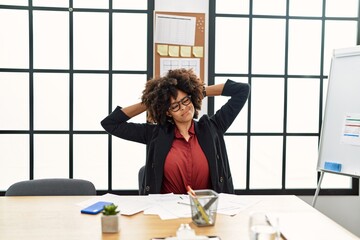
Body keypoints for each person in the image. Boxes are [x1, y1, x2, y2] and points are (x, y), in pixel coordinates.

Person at [101, 68, 250, 195]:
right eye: (175, 106)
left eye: (186, 101)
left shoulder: (212, 128)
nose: (184, 108)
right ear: (167, 112)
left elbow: (242, 90)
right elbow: (111, 124)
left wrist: (198, 91)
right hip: (166, 213)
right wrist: (151, 102)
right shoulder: (155, 134)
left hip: (207, 210)